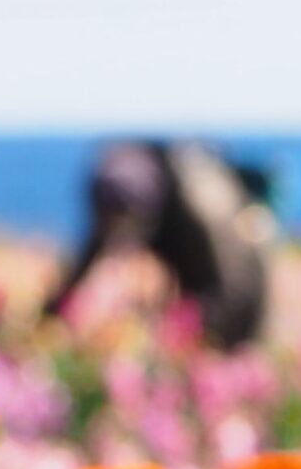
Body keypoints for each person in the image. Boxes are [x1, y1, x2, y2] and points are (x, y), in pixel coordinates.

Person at [42, 140, 275, 350]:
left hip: (238, 294)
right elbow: (92, 252)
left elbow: (234, 288)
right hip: (202, 292)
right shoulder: (121, 182)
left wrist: (190, 334)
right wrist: (50, 314)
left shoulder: (201, 201)